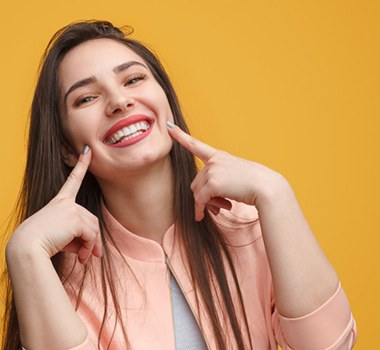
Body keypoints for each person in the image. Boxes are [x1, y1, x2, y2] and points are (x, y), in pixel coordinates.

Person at [2, 20, 357, 350]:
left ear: (166, 102)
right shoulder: (59, 275)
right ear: (65, 147)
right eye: (87, 98)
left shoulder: (252, 224)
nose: (120, 102)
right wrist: (24, 253)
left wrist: (276, 193)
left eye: (134, 79)